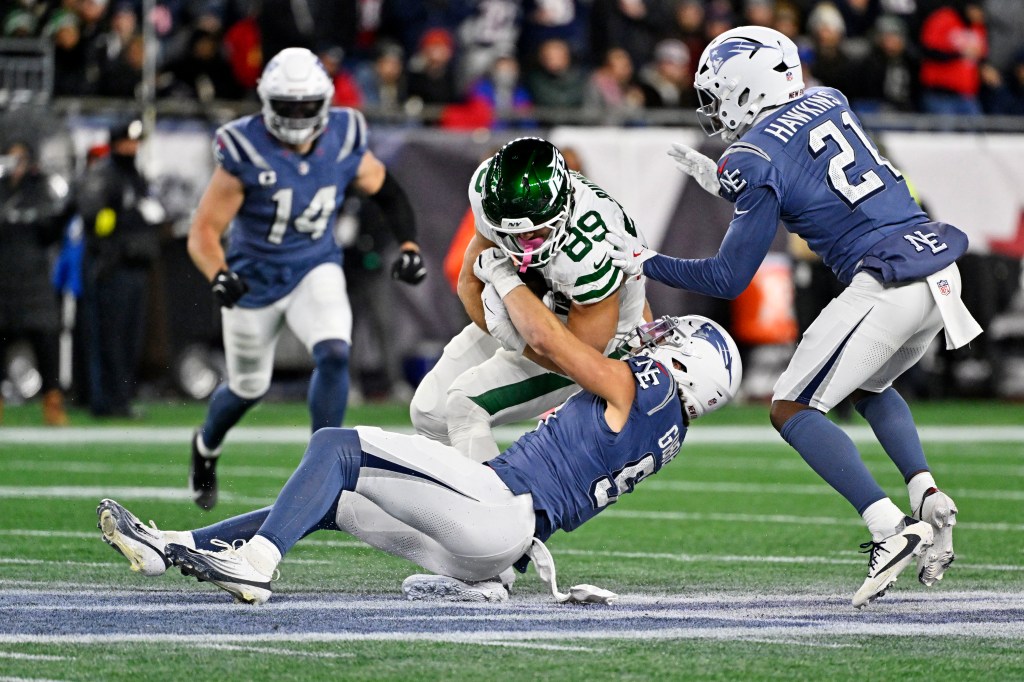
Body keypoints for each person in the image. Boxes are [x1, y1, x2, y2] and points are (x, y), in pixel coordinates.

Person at [607, 26, 982, 608]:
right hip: (935, 265)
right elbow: (808, 173)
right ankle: (926, 493)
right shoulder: (828, 99)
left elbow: (727, 278)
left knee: (790, 406)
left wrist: (646, 261)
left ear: (747, 88)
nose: (713, 109)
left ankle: (889, 527)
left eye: (718, 94)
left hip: (887, 278)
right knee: (872, 386)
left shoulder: (753, 155)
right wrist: (727, 184)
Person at [96, 282, 741, 605]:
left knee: (338, 447)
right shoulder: (668, 422)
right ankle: (172, 548)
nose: (657, 339)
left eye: (671, 343)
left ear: (684, 367)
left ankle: (257, 563)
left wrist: (508, 283)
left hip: (494, 510)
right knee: (335, 502)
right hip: (493, 546)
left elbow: (559, 348)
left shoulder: (643, 391)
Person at [186, 47, 425, 511]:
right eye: (287, 107)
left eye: (305, 106)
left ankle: (324, 469)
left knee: (336, 351)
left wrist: (410, 244)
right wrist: (219, 273)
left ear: (324, 102)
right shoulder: (244, 147)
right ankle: (206, 446)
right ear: (267, 103)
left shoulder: (344, 135)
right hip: (253, 279)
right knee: (247, 387)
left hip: (315, 265)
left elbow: (387, 190)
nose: (296, 117)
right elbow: (204, 231)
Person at [409, 136, 650, 464]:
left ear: (560, 210)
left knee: (465, 405)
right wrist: (512, 323)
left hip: (605, 343)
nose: (523, 245)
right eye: (512, 234)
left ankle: (490, 510)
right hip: (536, 309)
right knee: (428, 411)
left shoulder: (594, 250)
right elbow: (469, 284)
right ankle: (448, 499)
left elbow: (582, 359)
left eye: (534, 233)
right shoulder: (486, 192)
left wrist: (517, 337)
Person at [78, 118, 166, 419]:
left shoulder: (135, 176)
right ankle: (104, 400)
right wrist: (123, 221)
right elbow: (94, 218)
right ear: (115, 143)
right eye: (127, 142)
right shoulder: (105, 173)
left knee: (129, 337)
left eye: (135, 142)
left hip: (136, 266)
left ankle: (121, 398)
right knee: (109, 337)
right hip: (111, 267)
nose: (132, 147)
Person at [0, 140, 75, 425]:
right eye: (11, 157)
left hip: (33, 277)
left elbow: (50, 232)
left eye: (21, 158)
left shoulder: (41, 190)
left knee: (46, 337)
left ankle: (52, 401)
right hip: (3, 277)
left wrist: (66, 208)